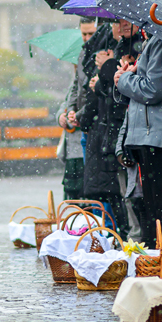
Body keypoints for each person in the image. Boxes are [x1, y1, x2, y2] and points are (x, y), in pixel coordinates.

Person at [115, 31, 162, 259]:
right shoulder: (156, 39)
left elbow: (153, 89)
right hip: (151, 136)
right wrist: (131, 75)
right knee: (155, 209)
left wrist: (124, 80)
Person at [78, 19, 136, 237]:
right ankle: (119, 237)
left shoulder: (129, 48)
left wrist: (108, 68)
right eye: (116, 22)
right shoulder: (104, 49)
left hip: (119, 131)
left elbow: (116, 94)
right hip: (109, 132)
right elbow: (103, 89)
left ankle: (127, 239)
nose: (120, 27)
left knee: (125, 195)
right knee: (116, 193)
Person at [55, 18, 96, 202]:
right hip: (72, 150)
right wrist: (63, 116)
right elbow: (65, 104)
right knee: (73, 196)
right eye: (84, 35)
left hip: (86, 144)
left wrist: (78, 115)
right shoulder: (75, 83)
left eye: (90, 34)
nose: (87, 38)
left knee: (89, 195)